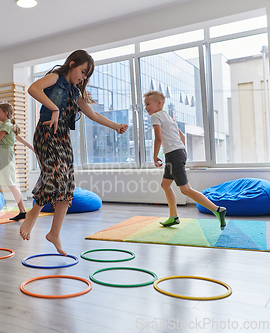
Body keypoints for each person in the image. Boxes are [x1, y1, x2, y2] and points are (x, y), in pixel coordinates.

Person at [19, 50, 128, 255]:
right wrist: (55, 109)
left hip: (63, 138)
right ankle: (33, 214)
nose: (83, 77)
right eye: (83, 71)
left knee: (67, 184)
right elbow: (33, 89)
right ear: (71, 64)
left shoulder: (75, 93)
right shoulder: (55, 79)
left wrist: (115, 126)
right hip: (46, 133)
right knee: (54, 174)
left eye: (87, 75)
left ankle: (54, 233)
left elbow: (93, 115)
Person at [144, 90, 227, 229]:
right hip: (178, 153)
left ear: (159, 103)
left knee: (185, 189)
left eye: (148, 104)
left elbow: (158, 138)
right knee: (165, 185)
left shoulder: (156, 117)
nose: (146, 107)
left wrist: (155, 156)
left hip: (173, 154)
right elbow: (181, 137)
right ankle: (173, 217)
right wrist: (177, 151)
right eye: (145, 105)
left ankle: (217, 210)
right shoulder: (169, 117)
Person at [0, 103, 34, 222]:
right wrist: (32, 148)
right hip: (3, 155)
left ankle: (22, 211)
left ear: (6, 113)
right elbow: (20, 139)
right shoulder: (10, 125)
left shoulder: (7, 125)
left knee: (11, 185)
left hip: (6, 156)